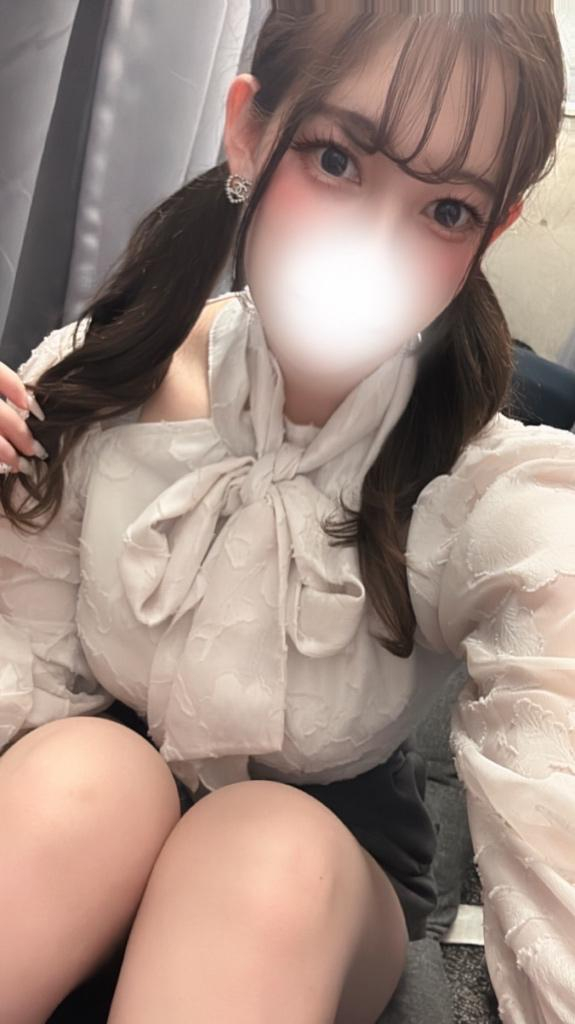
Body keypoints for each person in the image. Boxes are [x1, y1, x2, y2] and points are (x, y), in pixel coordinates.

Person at [0, 4, 573, 1023]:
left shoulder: (490, 490)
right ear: (249, 131)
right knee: (86, 775)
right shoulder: (101, 376)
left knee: (261, 850)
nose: (371, 247)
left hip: (318, 868)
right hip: (85, 790)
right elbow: (24, 678)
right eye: (336, 160)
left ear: (489, 233)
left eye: (445, 210)